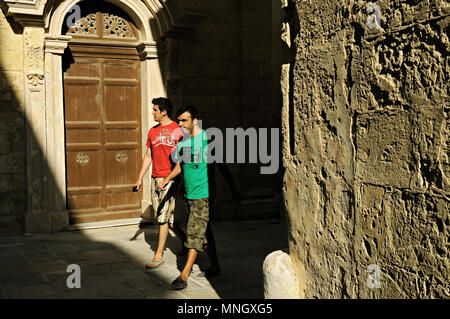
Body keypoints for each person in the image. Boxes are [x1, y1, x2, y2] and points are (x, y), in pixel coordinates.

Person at [159, 105, 220, 290]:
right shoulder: (184, 142)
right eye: (179, 121)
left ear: (195, 120)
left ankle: (184, 275)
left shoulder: (207, 139)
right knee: (205, 231)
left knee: (194, 234)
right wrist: (167, 180)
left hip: (203, 195)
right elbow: (180, 167)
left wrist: (224, 192)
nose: (180, 124)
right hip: (188, 195)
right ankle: (216, 266)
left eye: (184, 120)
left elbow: (219, 167)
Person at [133, 97, 184, 270]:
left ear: (164, 112)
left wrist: (170, 178)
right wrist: (140, 177)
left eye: (155, 110)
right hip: (155, 178)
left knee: (163, 218)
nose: (152, 112)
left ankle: (158, 255)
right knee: (165, 219)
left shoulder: (177, 130)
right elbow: (148, 156)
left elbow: (181, 160)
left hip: (170, 179)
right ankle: (186, 241)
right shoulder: (152, 131)